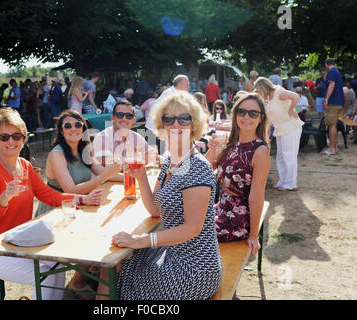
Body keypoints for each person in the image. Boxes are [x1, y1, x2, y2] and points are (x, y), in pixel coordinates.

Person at [0, 107, 103, 300]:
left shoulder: (25, 166)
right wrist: (4, 198)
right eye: (4, 137)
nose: (11, 141)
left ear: (23, 138)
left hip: (16, 242)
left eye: (16, 136)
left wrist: (82, 199)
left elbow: (49, 195)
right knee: (46, 275)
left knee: (57, 265)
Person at [96, 91, 222, 300]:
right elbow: (155, 210)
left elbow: (192, 228)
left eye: (184, 118)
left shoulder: (197, 167)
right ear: (161, 125)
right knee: (113, 262)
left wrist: (140, 240)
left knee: (122, 269)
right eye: (168, 119)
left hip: (195, 268)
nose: (176, 124)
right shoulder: (171, 161)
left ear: (194, 124)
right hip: (172, 252)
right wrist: (142, 177)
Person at [205, 92, 270, 251]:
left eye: (253, 113)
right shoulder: (232, 141)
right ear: (235, 115)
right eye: (242, 112)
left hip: (238, 217)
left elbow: (256, 196)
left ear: (261, 118)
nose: (246, 117)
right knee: (180, 222)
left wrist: (254, 235)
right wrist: (212, 149)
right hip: (221, 206)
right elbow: (207, 168)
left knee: (192, 235)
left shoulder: (259, 151)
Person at [36, 110, 121, 216]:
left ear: (83, 129)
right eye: (67, 126)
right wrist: (104, 176)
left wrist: (133, 175)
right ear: (62, 132)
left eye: (78, 125)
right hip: (57, 209)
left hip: (82, 204)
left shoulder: (84, 150)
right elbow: (70, 190)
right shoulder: (56, 155)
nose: (73, 129)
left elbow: (104, 173)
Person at [255, 77, 303, 191]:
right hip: (281, 129)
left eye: (258, 90)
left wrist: (291, 110)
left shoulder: (278, 91)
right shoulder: (269, 98)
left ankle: (290, 183)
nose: (257, 92)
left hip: (291, 127)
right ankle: (282, 181)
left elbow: (295, 96)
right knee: (280, 156)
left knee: (289, 155)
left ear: (263, 87)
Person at [92, 100, 154, 168]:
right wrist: (137, 161)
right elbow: (109, 165)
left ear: (133, 119)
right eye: (120, 115)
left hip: (132, 177)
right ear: (112, 118)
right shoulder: (102, 137)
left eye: (129, 116)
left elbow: (152, 155)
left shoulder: (136, 137)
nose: (124, 119)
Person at [322, 58, 345, 155]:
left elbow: (331, 85)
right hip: (339, 102)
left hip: (333, 103)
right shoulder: (337, 72)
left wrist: (326, 99)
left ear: (326, 64)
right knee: (333, 125)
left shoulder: (331, 72)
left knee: (331, 125)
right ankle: (334, 148)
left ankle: (331, 149)